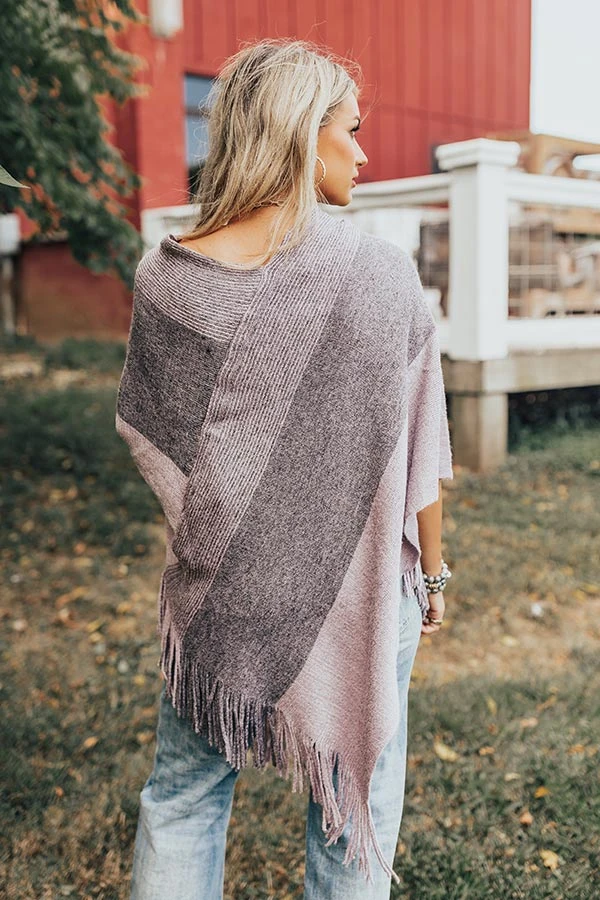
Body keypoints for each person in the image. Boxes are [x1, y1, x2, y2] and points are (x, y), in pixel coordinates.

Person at [116, 37, 453, 900]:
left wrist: (231, 542)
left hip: (221, 597)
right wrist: (433, 575)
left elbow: (157, 441)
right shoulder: (378, 273)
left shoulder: (167, 277)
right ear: (304, 134)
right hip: (363, 596)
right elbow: (422, 447)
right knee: (354, 806)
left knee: (183, 799)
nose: (363, 153)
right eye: (351, 130)